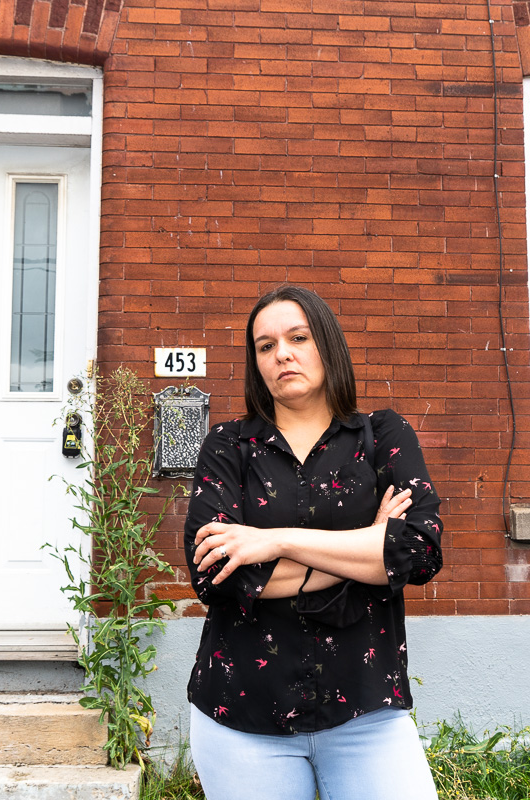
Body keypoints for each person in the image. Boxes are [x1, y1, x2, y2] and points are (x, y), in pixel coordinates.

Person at [184, 285, 443, 800]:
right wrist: (368, 546)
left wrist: (273, 541)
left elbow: (417, 552)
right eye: (265, 346)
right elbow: (215, 574)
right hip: (243, 716)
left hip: (366, 710)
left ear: (327, 343)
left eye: (298, 338)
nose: (282, 353)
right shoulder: (227, 447)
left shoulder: (383, 436)